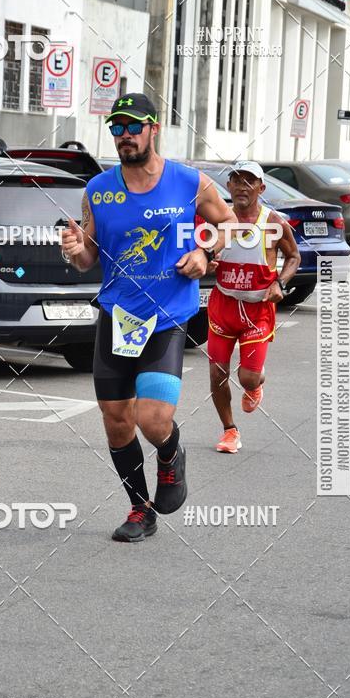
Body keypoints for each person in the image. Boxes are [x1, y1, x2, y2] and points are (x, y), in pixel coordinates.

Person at [61, 92, 236, 542]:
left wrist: (205, 253)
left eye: (133, 126)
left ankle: (171, 453)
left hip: (167, 316)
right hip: (117, 316)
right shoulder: (98, 190)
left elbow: (229, 224)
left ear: (153, 129)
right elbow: (89, 258)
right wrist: (75, 251)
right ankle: (141, 509)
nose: (125, 135)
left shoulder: (189, 182)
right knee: (117, 420)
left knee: (153, 420)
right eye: (117, 128)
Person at [207, 162, 300, 454]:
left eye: (249, 181)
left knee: (247, 377)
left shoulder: (272, 222)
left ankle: (255, 382)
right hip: (223, 306)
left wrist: (280, 283)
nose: (242, 187)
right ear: (228, 186)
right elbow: (203, 256)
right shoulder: (218, 220)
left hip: (257, 309)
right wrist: (207, 263)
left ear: (261, 188)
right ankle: (229, 431)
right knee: (217, 374)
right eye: (236, 181)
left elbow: (294, 257)